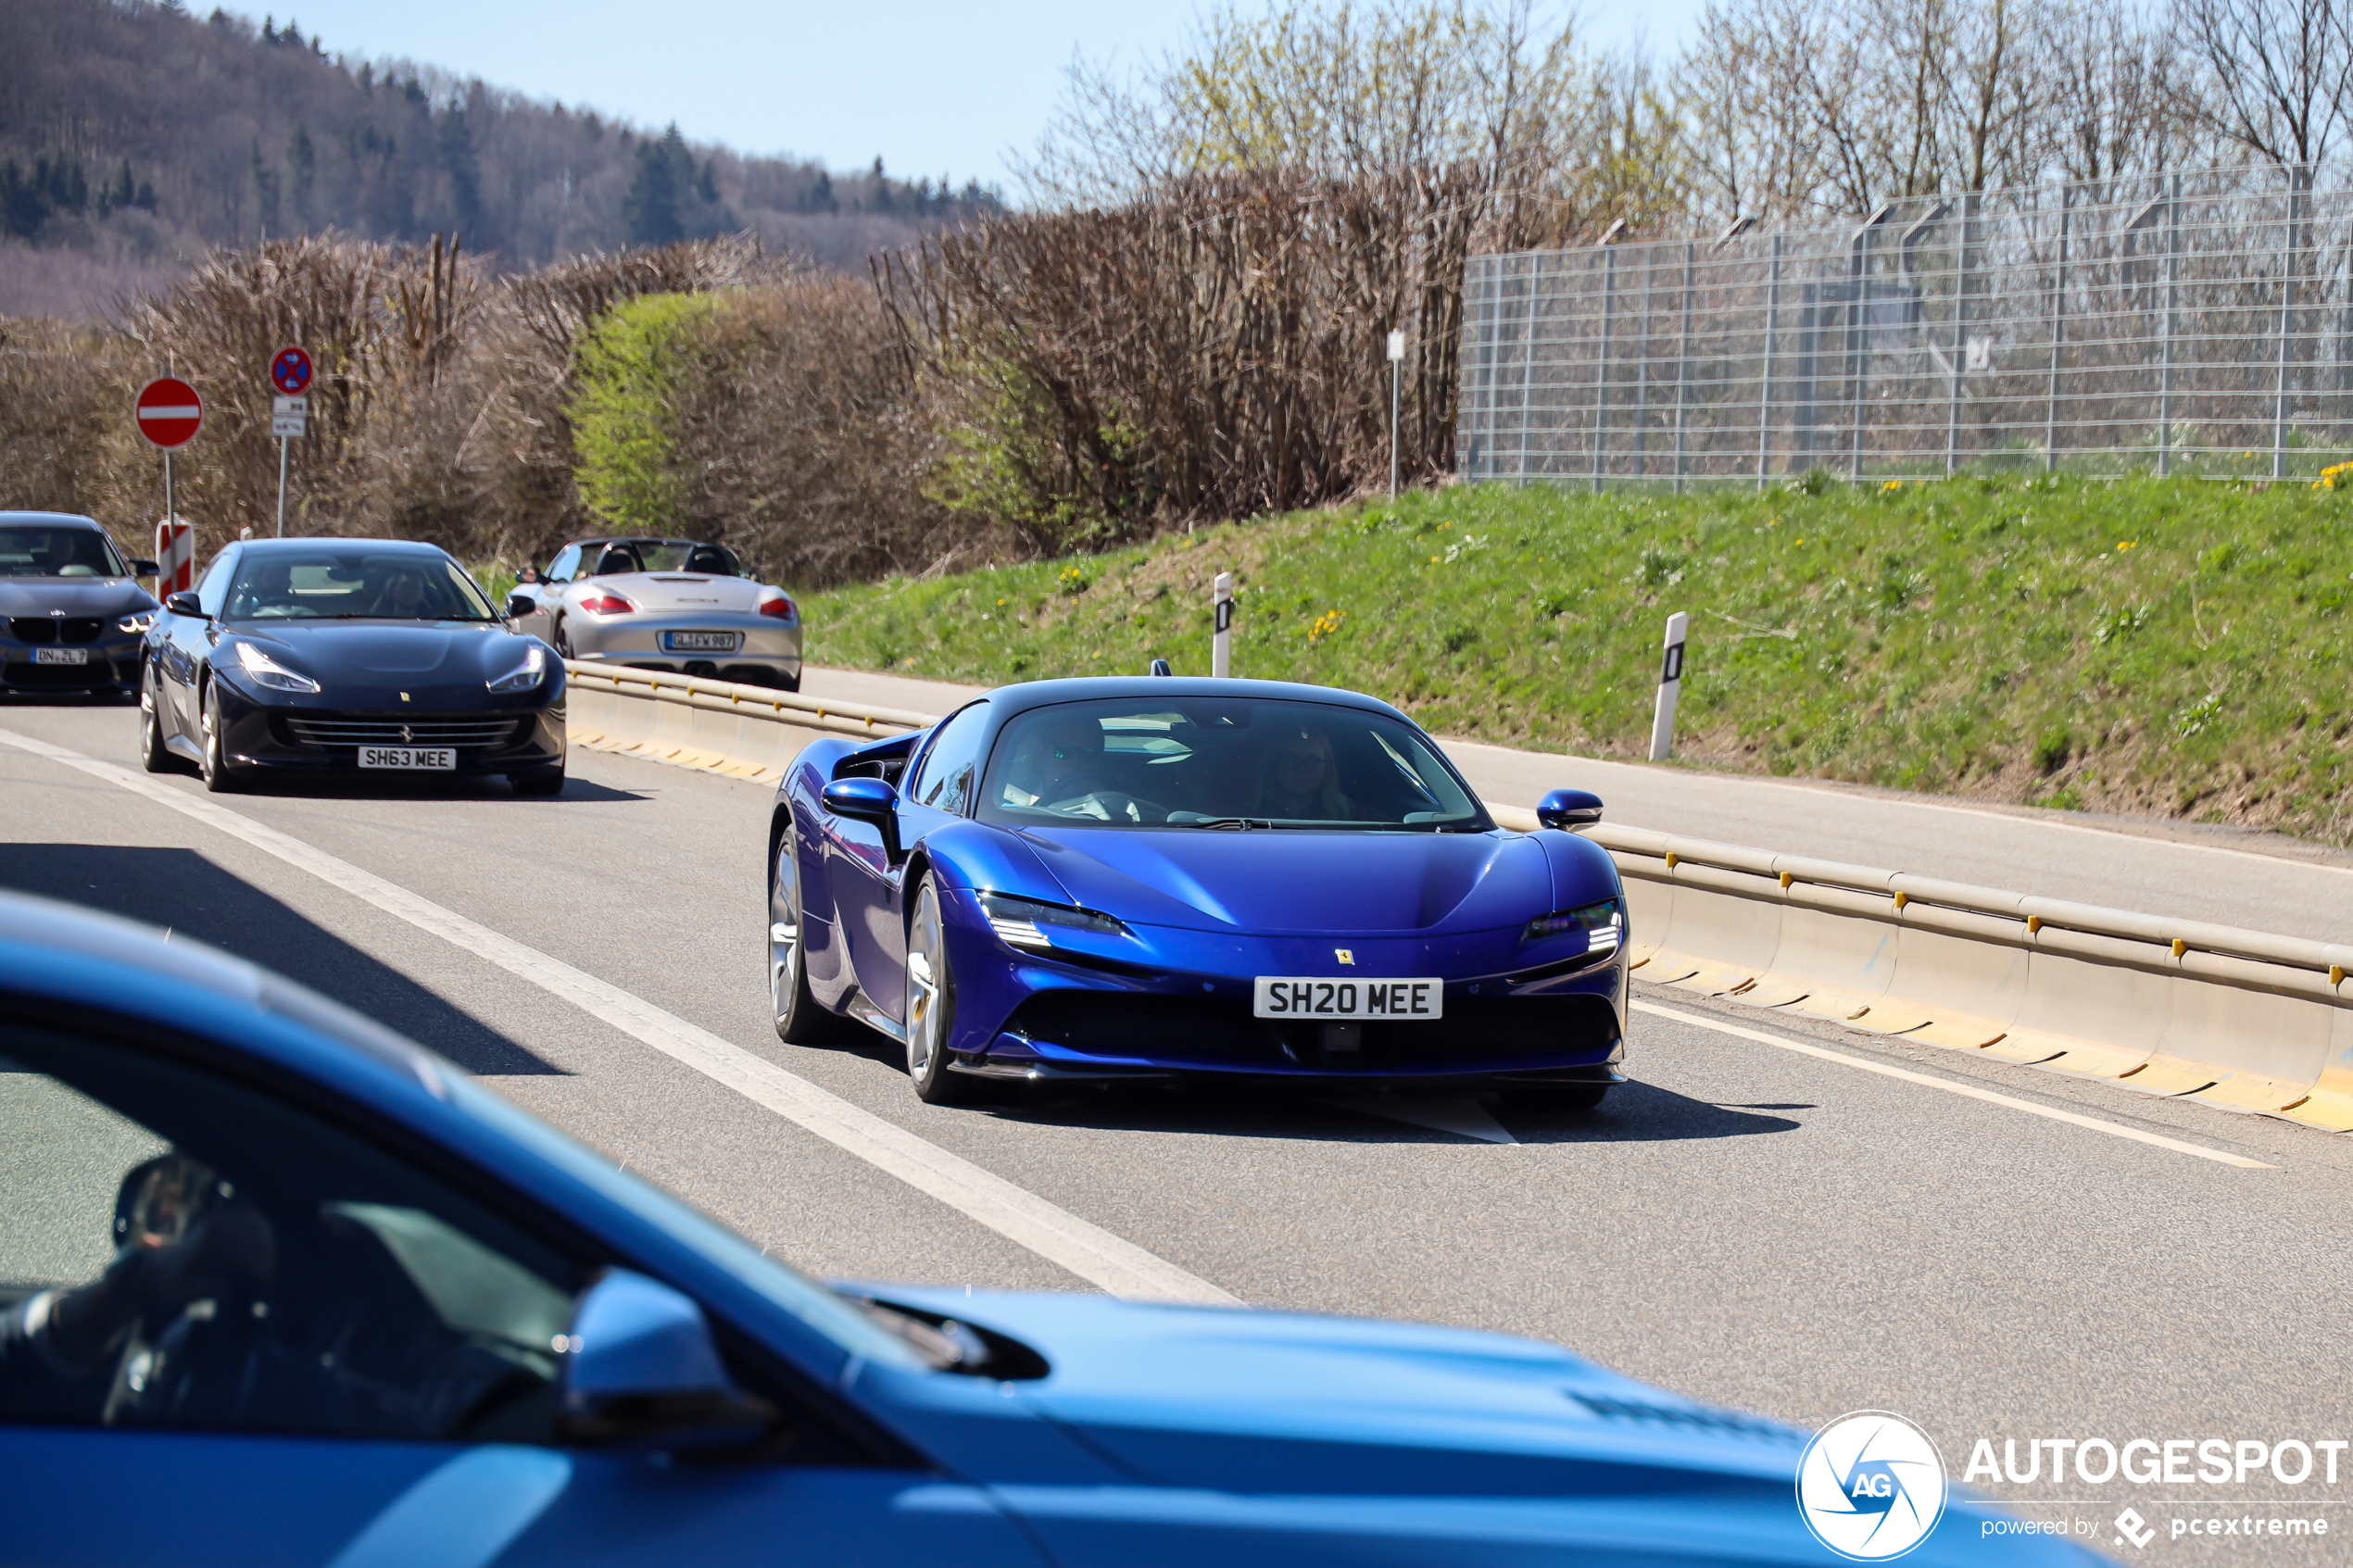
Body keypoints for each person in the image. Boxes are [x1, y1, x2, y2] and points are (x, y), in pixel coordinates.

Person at [999, 713, 1122, 810]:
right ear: (1042, 753)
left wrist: (1107, 800)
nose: (1075, 762)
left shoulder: (1120, 807)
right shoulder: (1005, 802)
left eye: (1088, 755)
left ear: (1098, 759)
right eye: (1063, 752)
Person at [1252, 725, 1354, 820]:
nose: (1301, 769)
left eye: (1313, 760)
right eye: (1290, 759)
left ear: (1327, 769)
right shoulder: (1248, 815)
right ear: (1274, 766)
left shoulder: (1350, 816)